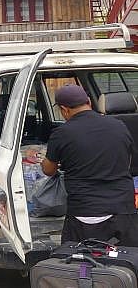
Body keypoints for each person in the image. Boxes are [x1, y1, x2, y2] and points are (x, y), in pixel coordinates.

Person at [41, 84, 138, 244]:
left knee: (79, 257)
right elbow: (128, 162)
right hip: (122, 210)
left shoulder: (62, 133)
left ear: (64, 110)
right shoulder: (119, 126)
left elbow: (49, 170)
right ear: (89, 102)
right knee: (125, 257)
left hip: (83, 213)